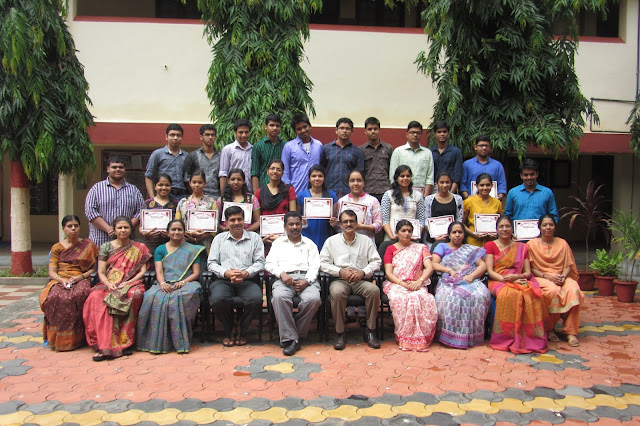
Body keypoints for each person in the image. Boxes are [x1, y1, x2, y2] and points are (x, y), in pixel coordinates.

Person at [83, 217, 151, 361]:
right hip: (108, 283)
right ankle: (103, 345)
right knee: (95, 298)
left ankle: (125, 342)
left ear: (131, 229)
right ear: (114, 230)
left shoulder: (140, 247)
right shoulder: (106, 247)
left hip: (131, 283)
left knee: (134, 295)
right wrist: (108, 284)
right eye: (119, 228)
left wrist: (128, 283)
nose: (123, 230)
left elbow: (142, 271)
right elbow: (101, 272)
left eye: (126, 227)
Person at [136, 219, 204, 354]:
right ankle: (157, 341)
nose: (176, 232)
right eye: (173, 230)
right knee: (151, 296)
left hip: (187, 283)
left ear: (184, 232)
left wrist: (183, 282)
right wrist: (162, 283)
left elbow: (196, 273)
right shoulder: (160, 249)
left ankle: (180, 341)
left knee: (181, 297)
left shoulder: (193, 250)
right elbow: (159, 271)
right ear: (167, 233)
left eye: (179, 229)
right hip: (165, 282)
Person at [320, 210, 382, 350]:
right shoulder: (331, 241)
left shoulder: (366, 241)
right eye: (345, 222)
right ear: (340, 224)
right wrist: (340, 271)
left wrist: (363, 272)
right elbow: (323, 263)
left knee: (374, 290)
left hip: (360, 280)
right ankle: (340, 333)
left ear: (356, 223)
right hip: (340, 279)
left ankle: (370, 331)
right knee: (337, 293)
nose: (349, 224)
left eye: (352, 221)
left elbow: (376, 262)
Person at [485, 215, 547, 354]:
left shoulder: (522, 247)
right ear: (496, 230)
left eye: (507, 226)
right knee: (510, 294)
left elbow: (528, 272)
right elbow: (490, 271)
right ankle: (506, 337)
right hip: (498, 280)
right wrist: (508, 280)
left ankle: (528, 337)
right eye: (501, 226)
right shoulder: (490, 245)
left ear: (512, 229)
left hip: (518, 278)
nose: (504, 229)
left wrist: (517, 277)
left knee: (531, 294)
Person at [265, 212, 322, 356]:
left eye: (297, 224)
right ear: (285, 226)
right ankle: (292, 338)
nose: (294, 227)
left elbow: (315, 266)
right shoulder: (278, 243)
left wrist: (307, 281)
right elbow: (269, 263)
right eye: (291, 224)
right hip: (284, 278)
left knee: (313, 299)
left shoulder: (310, 244)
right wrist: (282, 274)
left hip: (306, 278)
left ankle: (291, 336)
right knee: (279, 297)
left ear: (302, 225)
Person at [207, 206, 265, 347]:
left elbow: (260, 262)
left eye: (239, 219)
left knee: (256, 299)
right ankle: (229, 329)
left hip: (247, 280)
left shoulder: (255, 238)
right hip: (223, 280)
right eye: (232, 220)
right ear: (226, 222)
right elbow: (211, 263)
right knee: (217, 299)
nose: (236, 223)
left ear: (245, 220)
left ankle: (242, 329)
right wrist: (226, 273)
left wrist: (246, 273)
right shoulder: (219, 239)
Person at [40, 215, 98, 351]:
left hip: (81, 278)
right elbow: (52, 272)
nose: (73, 229)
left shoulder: (89, 246)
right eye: (69, 226)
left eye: (76, 226)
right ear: (63, 229)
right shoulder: (57, 247)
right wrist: (61, 280)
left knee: (79, 294)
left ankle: (79, 338)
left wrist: (80, 277)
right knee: (55, 297)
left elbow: (93, 269)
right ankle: (58, 339)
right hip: (60, 278)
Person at [527, 214, 584, 347]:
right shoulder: (532, 244)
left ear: (555, 227)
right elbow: (531, 268)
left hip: (561, 276)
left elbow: (568, 265)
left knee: (573, 290)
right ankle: (550, 329)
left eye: (551, 225)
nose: (548, 227)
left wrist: (563, 276)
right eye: (545, 225)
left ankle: (571, 332)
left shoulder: (562, 243)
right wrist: (547, 277)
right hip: (541, 277)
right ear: (539, 227)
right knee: (553, 291)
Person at [431, 222, 490, 348]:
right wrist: (449, 271)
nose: (457, 235)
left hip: (469, 280)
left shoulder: (469, 249)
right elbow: (434, 264)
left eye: (460, 232)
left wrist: (471, 276)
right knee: (451, 297)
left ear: (464, 234)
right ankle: (450, 336)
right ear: (449, 235)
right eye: (454, 232)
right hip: (449, 281)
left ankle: (471, 336)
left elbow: (482, 266)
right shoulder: (442, 246)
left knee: (480, 294)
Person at [382, 220, 437, 351]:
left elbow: (430, 267)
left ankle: (421, 337)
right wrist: (403, 284)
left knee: (425, 299)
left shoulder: (421, 248)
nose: (406, 234)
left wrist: (419, 281)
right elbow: (388, 273)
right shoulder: (390, 249)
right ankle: (404, 337)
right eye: (403, 231)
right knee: (401, 299)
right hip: (396, 284)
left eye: (409, 231)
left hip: (417, 283)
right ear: (396, 233)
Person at [85, 155, 144, 249]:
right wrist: (109, 229)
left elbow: (140, 212)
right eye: (114, 167)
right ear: (108, 169)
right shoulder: (96, 189)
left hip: (126, 242)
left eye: (121, 167)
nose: (118, 169)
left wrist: (124, 228)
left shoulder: (134, 190)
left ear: (125, 169)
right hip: (100, 241)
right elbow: (91, 212)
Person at [296, 165, 339, 250]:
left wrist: (334, 222)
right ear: (309, 178)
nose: (317, 179)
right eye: (314, 176)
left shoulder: (331, 195)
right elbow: (297, 217)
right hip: (306, 234)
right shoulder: (301, 195)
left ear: (324, 178)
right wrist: (301, 220)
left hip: (325, 234)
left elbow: (334, 218)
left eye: (320, 176)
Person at [255, 159, 297, 246]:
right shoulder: (260, 192)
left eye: (278, 169)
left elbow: (293, 215)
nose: (275, 171)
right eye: (272, 168)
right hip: (265, 238)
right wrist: (262, 238)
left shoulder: (289, 189)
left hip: (284, 237)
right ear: (267, 171)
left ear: (282, 173)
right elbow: (257, 219)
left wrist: (282, 237)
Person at [321, 117, 365, 198]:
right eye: (341, 128)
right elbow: (321, 171)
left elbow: (360, 174)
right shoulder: (326, 149)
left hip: (349, 194)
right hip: (329, 192)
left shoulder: (357, 152)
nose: (344, 131)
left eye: (347, 129)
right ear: (336, 130)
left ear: (352, 131)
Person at [175, 170, 218, 253]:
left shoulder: (212, 203)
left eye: (200, 182)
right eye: (194, 182)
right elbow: (177, 224)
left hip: (206, 244)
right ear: (190, 183)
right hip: (185, 243)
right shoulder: (182, 202)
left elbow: (215, 227)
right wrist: (190, 235)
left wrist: (199, 238)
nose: (197, 185)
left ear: (205, 183)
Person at [282, 114, 324, 194]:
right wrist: (288, 191)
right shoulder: (289, 147)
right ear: (295, 131)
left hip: (315, 193)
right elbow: (285, 172)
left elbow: (321, 166)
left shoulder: (318, 146)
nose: (303, 130)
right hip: (296, 191)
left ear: (310, 126)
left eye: (305, 127)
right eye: (299, 129)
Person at [145, 123, 187, 202]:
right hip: (164, 194)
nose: (175, 138)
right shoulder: (157, 154)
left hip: (183, 195)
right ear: (166, 137)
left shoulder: (187, 156)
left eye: (178, 135)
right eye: (172, 135)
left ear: (182, 138)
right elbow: (149, 176)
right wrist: (152, 198)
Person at [389, 121, 434, 195]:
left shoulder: (427, 153)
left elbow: (430, 177)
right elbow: (393, 176)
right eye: (412, 132)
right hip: (401, 192)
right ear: (407, 134)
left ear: (421, 135)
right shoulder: (398, 151)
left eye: (418, 133)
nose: (415, 135)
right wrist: (398, 194)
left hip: (421, 192)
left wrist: (425, 196)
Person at [381, 165, 425, 241]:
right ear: (396, 178)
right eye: (402, 176)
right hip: (392, 237)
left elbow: (421, 220)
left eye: (408, 176)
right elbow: (385, 220)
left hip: (412, 238)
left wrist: (416, 235)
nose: (405, 178)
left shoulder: (418, 195)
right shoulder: (388, 195)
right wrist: (391, 236)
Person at [139, 173, 177, 257]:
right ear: (155, 186)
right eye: (160, 185)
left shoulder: (175, 203)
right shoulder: (147, 204)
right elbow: (141, 226)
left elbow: (179, 224)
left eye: (167, 185)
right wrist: (145, 233)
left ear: (171, 187)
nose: (164, 188)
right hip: (150, 243)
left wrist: (170, 233)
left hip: (171, 244)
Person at [460, 135, 507, 201]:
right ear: (475, 147)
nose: (484, 148)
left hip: (492, 203)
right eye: (481, 145)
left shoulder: (497, 165)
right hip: (471, 203)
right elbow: (462, 184)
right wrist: (467, 197)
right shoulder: (467, 165)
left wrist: (499, 198)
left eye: (486, 146)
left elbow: (502, 184)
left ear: (490, 148)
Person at [463, 173, 504, 247]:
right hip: (474, 242)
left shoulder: (497, 203)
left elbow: (501, 223)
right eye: (482, 185)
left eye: (488, 185)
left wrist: (496, 233)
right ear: (476, 186)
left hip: (492, 242)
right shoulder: (469, 201)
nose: (485, 188)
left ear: (492, 185)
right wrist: (474, 234)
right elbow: (462, 223)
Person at [424, 171, 464, 247]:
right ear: (436, 183)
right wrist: (434, 236)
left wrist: (453, 234)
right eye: (441, 182)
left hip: (452, 241)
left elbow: (459, 219)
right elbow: (426, 220)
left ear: (451, 183)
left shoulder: (458, 199)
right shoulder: (429, 199)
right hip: (433, 241)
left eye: (447, 182)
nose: (445, 185)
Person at [183, 124, 221, 198]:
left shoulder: (221, 156)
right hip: (198, 197)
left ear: (215, 137)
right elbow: (187, 179)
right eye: (207, 135)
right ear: (201, 137)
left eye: (212, 135)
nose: (210, 137)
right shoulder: (193, 156)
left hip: (217, 197)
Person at [360, 117, 393, 202]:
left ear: (379, 130)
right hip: (368, 190)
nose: (373, 131)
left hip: (385, 190)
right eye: (370, 129)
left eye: (375, 129)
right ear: (365, 131)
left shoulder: (388, 148)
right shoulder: (361, 150)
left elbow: (392, 169)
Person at [251, 114, 285, 192]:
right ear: (265, 127)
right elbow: (255, 172)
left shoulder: (285, 146)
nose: (274, 128)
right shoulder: (258, 146)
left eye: (277, 126)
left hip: (281, 189)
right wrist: (256, 195)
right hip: (263, 188)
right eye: (271, 125)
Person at [219, 118, 254, 193]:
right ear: (235, 133)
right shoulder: (228, 149)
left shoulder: (253, 150)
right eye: (240, 132)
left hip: (249, 192)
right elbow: (223, 173)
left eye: (246, 132)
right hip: (232, 192)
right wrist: (223, 195)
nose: (244, 135)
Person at [430, 121, 463, 194]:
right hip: (433, 192)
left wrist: (450, 194)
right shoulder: (430, 152)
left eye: (444, 132)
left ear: (448, 133)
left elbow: (457, 176)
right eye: (439, 132)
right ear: (435, 134)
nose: (442, 134)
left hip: (451, 190)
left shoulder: (456, 152)